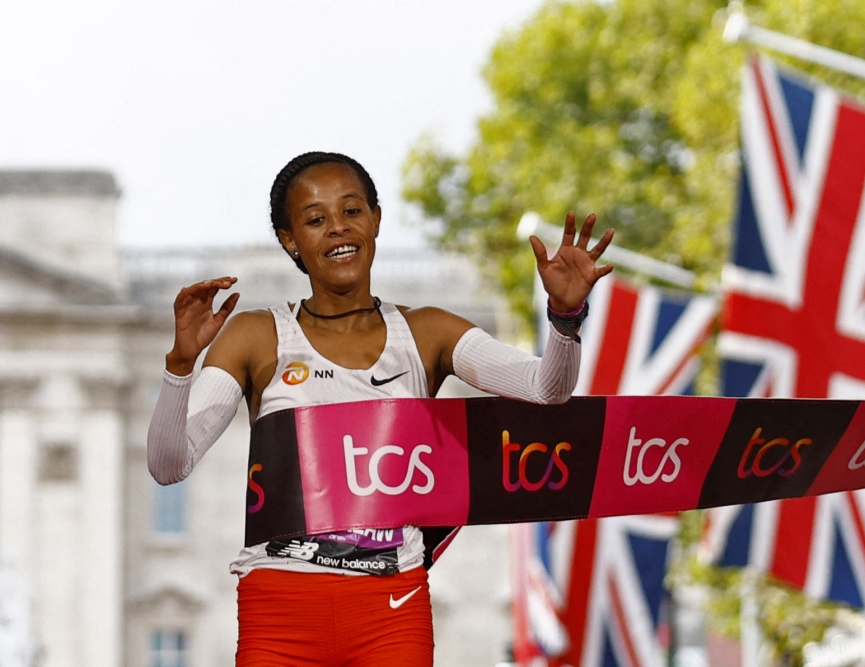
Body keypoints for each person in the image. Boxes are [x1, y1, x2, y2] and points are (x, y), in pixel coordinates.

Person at [146, 151, 614, 666]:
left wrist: (565, 318)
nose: (338, 229)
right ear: (290, 240)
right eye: (315, 219)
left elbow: (547, 389)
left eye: (351, 211)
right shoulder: (256, 335)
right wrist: (180, 366)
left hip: (391, 609)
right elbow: (170, 465)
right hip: (279, 611)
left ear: (375, 218)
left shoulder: (427, 331)